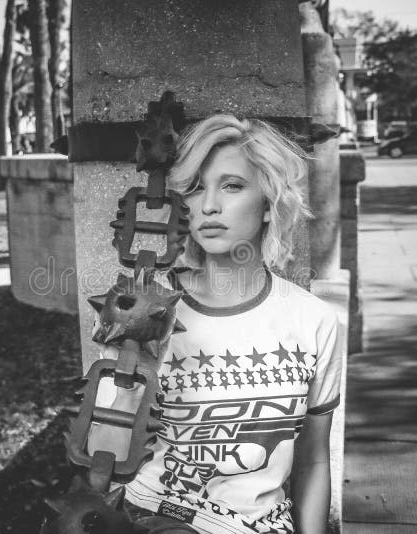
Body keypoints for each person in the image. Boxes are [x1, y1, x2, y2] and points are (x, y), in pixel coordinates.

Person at [89, 114, 342, 534]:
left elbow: (314, 458)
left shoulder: (313, 320)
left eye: (232, 186)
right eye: (194, 188)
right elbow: (104, 460)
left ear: (269, 202)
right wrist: (136, 373)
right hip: (154, 520)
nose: (208, 205)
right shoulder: (143, 309)